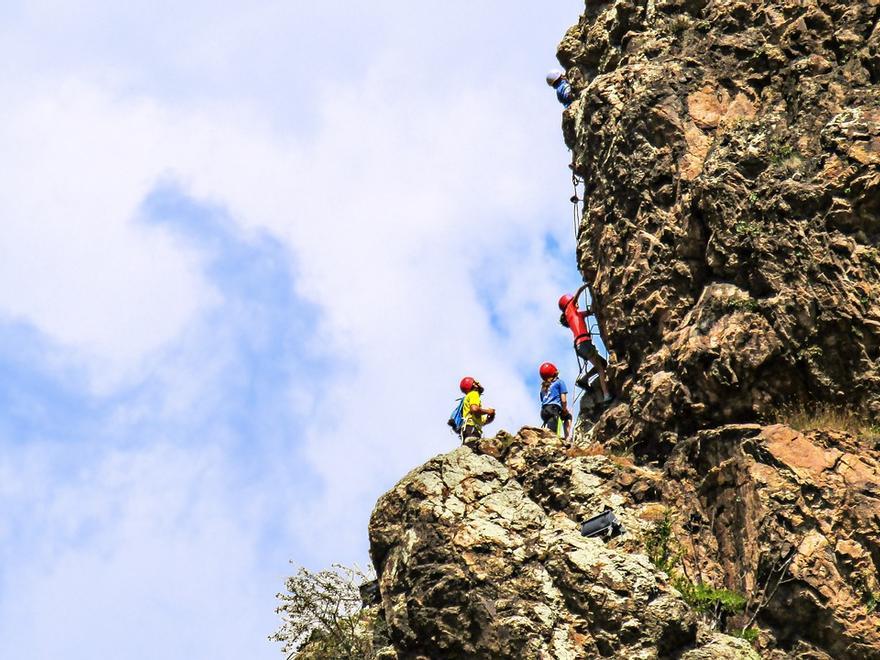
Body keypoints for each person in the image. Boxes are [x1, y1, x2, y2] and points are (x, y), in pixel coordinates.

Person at [559, 285, 612, 403]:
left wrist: (594, 306)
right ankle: (606, 395)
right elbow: (577, 295)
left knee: (602, 363)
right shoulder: (570, 310)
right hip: (584, 343)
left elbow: (591, 312)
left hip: (581, 345)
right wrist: (587, 285)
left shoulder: (576, 315)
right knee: (600, 368)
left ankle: (584, 379)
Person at [538, 362, 572, 438]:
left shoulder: (543, 388)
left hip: (544, 412)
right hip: (553, 410)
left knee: (549, 428)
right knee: (568, 416)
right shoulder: (560, 382)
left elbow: (543, 400)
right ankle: (567, 438)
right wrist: (564, 410)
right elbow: (563, 400)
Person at [459, 376, 495, 440]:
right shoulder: (474, 394)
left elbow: (483, 421)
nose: (479, 383)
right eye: (476, 382)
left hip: (469, 430)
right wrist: (488, 411)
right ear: (474, 385)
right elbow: (474, 409)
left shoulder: (468, 397)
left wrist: (491, 416)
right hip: (471, 430)